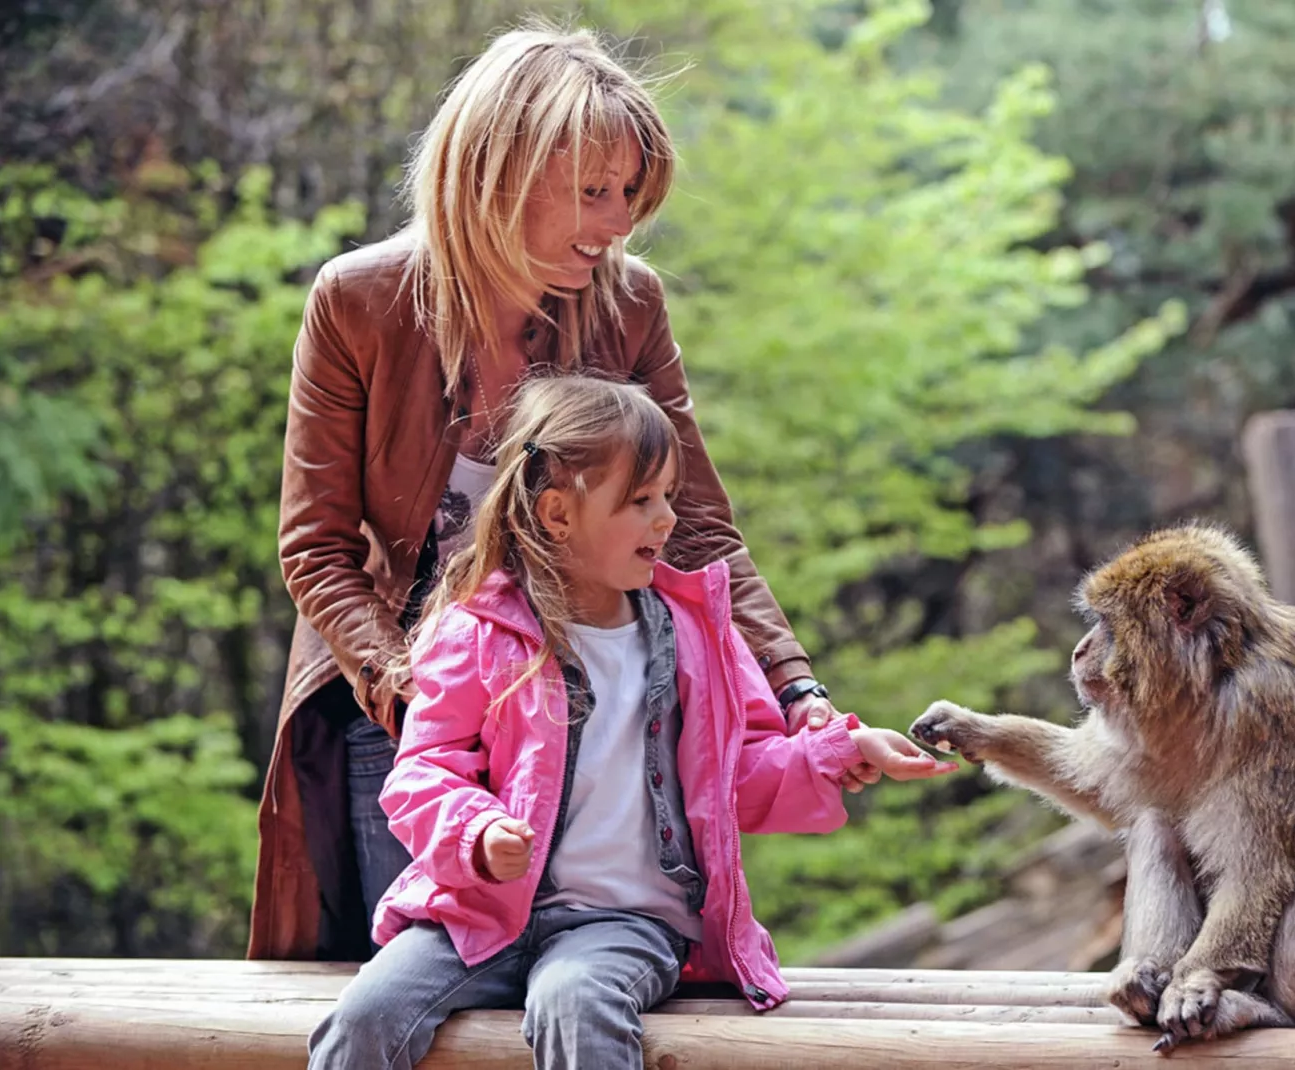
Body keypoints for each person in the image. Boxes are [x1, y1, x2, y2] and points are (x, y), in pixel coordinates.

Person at [251, 21, 867, 963]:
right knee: (433, 980)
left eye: (629, 193)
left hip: (598, 693)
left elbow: (694, 524)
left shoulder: (629, 304)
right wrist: (410, 692)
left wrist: (796, 689)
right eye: (593, 191)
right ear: (497, 171)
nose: (619, 222)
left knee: (592, 974)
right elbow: (318, 550)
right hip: (411, 711)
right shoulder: (358, 301)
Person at [306, 376, 956, 1069]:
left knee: (576, 1004)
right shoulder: (475, 631)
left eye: (668, 497)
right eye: (641, 501)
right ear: (557, 514)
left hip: (623, 922)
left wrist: (836, 750)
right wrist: (477, 830)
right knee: (364, 1016)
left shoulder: (697, 637)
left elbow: (736, 776)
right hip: (478, 915)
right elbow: (422, 772)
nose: (667, 519)